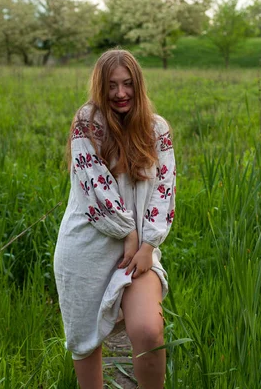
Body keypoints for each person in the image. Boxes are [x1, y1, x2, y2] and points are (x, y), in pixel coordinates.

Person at [54, 49, 176, 389]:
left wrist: (148, 242)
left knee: (149, 330)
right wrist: (128, 233)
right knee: (85, 343)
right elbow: (95, 187)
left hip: (138, 254)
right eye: (111, 86)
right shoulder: (87, 123)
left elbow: (164, 189)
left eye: (127, 84)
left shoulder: (156, 128)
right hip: (87, 247)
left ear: (138, 85)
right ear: (100, 87)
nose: (120, 94)